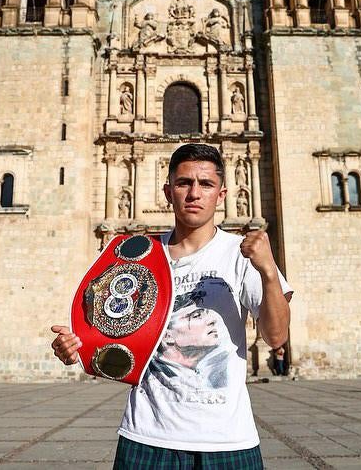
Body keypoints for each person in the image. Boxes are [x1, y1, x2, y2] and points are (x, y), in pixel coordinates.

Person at [51, 143, 292, 469]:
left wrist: (267, 272)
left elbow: (276, 337)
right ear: (168, 191)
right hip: (146, 435)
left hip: (228, 439)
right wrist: (76, 347)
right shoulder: (136, 254)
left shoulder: (242, 254)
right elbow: (109, 326)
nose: (194, 193)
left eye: (206, 184)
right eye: (184, 183)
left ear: (221, 195)